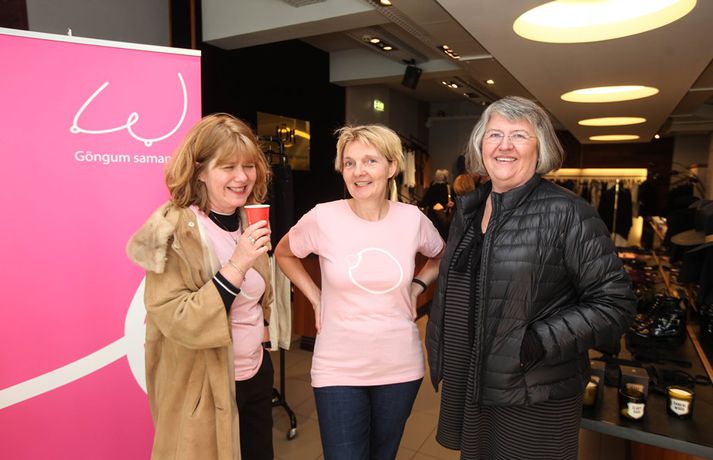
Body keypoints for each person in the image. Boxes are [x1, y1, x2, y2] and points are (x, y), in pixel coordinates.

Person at [425, 96, 636, 459]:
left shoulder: (568, 212)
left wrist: (536, 342)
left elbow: (616, 305)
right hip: (476, 383)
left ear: (541, 149)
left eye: (519, 135)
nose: (504, 145)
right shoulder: (471, 209)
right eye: (495, 134)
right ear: (480, 145)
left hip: (534, 392)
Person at [275, 124, 445, 460]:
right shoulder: (323, 217)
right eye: (349, 163)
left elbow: (441, 255)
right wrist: (316, 297)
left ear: (392, 167)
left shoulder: (412, 219)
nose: (358, 172)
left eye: (370, 161)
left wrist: (416, 288)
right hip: (337, 365)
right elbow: (284, 253)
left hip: (399, 364)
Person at [126, 113, 275, 460]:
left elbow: (257, 296)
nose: (242, 177)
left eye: (248, 166)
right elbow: (177, 318)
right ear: (200, 171)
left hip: (254, 375)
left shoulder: (247, 219)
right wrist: (237, 264)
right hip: (204, 385)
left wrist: (263, 339)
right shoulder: (174, 229)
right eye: (228, 167)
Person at [420, 168, 454, 239]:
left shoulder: (432, 188)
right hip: (445, 217)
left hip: (433, 217)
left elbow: (424, 202)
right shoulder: (449, 188)